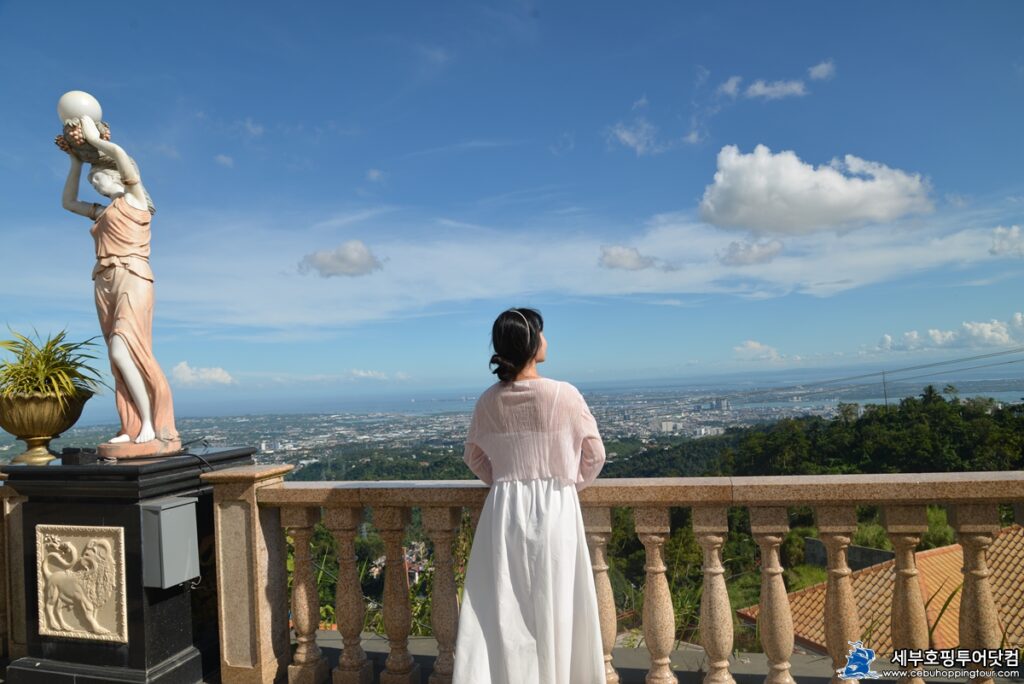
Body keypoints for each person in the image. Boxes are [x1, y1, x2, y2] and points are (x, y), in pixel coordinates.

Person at [452, 308, 606, 684]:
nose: (547, 340)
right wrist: (567, 483)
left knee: (504, 609)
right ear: (532, 342)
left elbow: (473, 456)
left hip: (504, 510)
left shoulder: (488, 401)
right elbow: (595, 454)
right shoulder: (563, 394)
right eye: (542, 333)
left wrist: (506, 480)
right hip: (556, 508)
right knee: (558, 602)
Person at [59, 115, 179, 454]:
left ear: (116, 176)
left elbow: (127, 164)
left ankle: (152, 423)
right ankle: (132, 425)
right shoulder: (102, 212)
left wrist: (96, 144)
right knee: (117, 359)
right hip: (104, 281)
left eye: (99, 179)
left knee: (124, 348)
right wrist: (74, 162)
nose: (96, 185)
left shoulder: (137, 200)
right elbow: (68, 202)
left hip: (133, 276)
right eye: (93, 183)